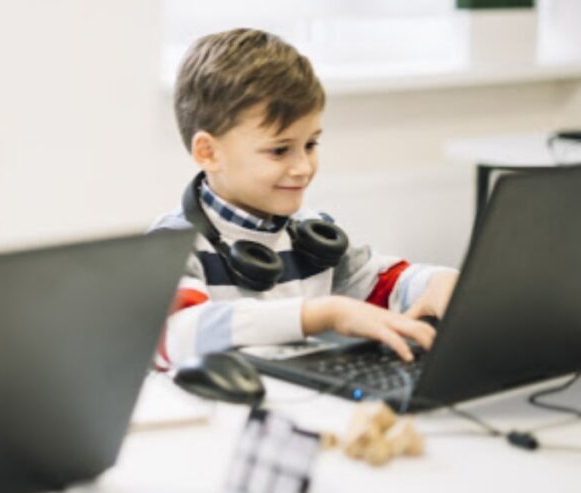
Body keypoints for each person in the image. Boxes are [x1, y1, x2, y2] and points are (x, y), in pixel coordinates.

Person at [151, 28, 458, 369]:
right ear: (208, 152)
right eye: (280, 150)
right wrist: (320, 314)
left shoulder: (311, 234)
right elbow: (173, 336)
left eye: (310, 145)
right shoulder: (173, 244)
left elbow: (381, 283)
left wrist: (438, 282)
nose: (303, 167)